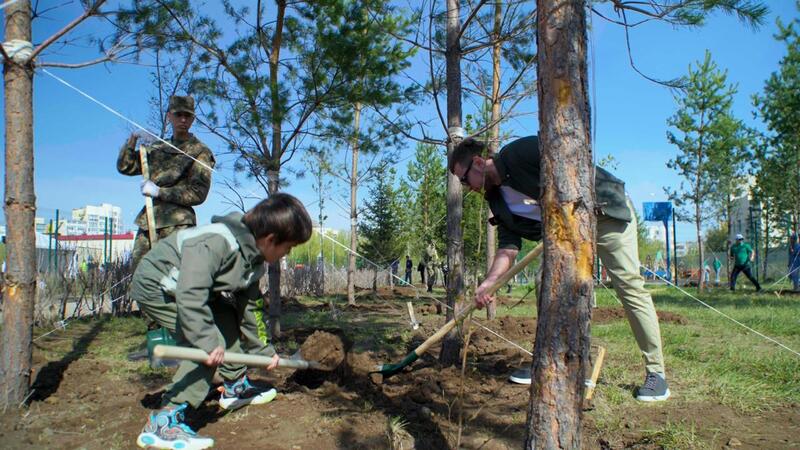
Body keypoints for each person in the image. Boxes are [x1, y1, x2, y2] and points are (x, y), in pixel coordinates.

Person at [449, 136, 670, 402]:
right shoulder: (496, 201)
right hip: (566, 237)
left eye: (464, 180)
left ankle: (656, 374)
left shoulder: (520, 153)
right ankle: (554, 363)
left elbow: (572, 165)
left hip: (604, 216)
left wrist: (568, 214)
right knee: (548, 286)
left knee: (629, 287)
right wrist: (490, 282)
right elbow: (508, 247)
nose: (467, 188)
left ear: (477, 163)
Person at [132, 193, 313, 449]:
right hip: (160, 287)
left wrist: (263, 351)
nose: (287, 254)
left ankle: (234, 386)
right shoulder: (216, 242)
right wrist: (206, 341)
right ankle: (164, 420)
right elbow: (190, 293)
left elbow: (250, 309)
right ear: (271, 239)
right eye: (289, 247)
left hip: (198, 292)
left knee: (227, 317)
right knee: (208, 344)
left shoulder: (254, 260)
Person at [117, 95, 215, 270]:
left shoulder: (200, 151)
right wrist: (133, 141)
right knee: (142, 279)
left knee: (175, 281)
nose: (183, 120)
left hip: (178, 224)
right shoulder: (158, 148)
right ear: (169, 116)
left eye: (188, 115)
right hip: (149, 221)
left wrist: (159, 192)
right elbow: (126, 167)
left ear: (193, 119)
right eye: (178, 115)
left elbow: (198, 192)